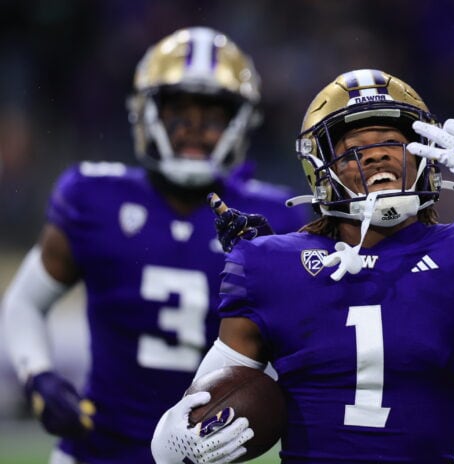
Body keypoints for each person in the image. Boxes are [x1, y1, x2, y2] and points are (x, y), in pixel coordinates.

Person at [150, 68, 454, 463]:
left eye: (393, 143)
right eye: (354, 148)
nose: (377, 153)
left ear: (424, 159)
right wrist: (184, 442)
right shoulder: (268, 264)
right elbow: (177, 434)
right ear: (322, 170)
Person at [0, 26, 307, 464]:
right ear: (147, 115)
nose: (195, 130)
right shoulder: (94, 197)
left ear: (241, 123)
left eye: (214, 115)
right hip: (95, 452)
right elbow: (26, 302)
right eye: (179, 113)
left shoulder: (274, 215)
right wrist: (39, 377)